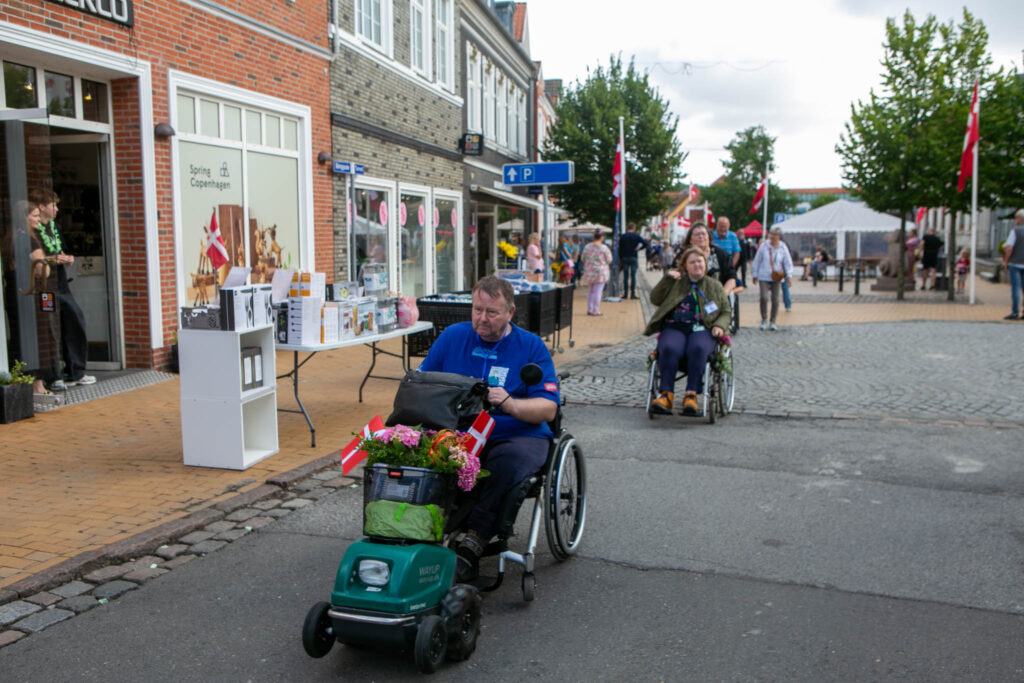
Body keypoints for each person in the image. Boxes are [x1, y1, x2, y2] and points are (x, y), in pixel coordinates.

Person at [417, 275, 559, 582]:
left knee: (506, 463)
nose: (482, 318)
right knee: (425, 454)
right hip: (461, 430)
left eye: (491, 312)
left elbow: (548, 408)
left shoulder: (531, 346)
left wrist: (510, 403)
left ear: (510, 312)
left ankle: (476, 536)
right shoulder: (453, 337)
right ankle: (425, 528)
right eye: (477, 309)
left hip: (516, 432)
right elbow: (423, 381)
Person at [645, 247, 731, 415]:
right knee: (669, 348)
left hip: (703, 328)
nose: (696, 265)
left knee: (697, 349)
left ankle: (691, 395)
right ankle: (666, 394)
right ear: (685, 266)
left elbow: (726, 311)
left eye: (700, 261)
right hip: (675, 326)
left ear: (705, 264)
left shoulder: (715, 285)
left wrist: (719, 325)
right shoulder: (676, 282)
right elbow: (655, 298)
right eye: (692, 262)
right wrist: (667, 280)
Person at [31, 189, 95, 389]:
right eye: (53, 205)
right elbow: (36, 258)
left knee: (75, 318)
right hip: (44, 285)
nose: (57, 209)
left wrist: (66, 257)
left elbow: (58, 250)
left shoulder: (54, 227)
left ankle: (76, 370)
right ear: (42, 207)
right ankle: (53, 375)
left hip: (60, 281)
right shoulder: (32, 230)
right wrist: (54, 259)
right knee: (49, 327)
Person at [751, 226, 794, 331]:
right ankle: (764, 319)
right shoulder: (764, 246)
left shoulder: (783, 247)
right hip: (764, 275)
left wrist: (789, 276)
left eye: (775, 235)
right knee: (764, 297)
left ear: (779, 236)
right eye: (771, 234)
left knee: (775, 299)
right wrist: (755, 274)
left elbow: (787, 262)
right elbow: (757, 260)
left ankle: (773, 321)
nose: (772, 236)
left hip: (777, 276)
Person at [682, 222, 737, 294]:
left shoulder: (721, 254)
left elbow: (731, 278)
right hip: (690, 298)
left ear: (709, 237)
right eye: (697, 234)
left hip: (716, 296)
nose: (700, 236)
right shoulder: (683, 255)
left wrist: (722, 295)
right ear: (690, 239)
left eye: (703, 233)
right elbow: (674, 272)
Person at [580, 229, 612, 315]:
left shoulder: (587, 247)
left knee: (591, 290)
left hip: (589, 271)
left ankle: (589, 309)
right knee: (598, 291)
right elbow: (609, 260)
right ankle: (595, 310)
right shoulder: (604, 248)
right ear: (602, 237)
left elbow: (582, 259)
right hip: (600, 273)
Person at [1001, 209, 1024, 320]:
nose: (1015, 220)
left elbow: (1009, 247)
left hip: (1015, 263)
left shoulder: (1015, 231)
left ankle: (1015, 312)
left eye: (1016, 218)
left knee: (1015, 288)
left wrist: (1005, 260)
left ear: (1021, 218)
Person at [618, 222, 647, 299]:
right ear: (634, 228)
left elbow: (620, 248)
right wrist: (638, 248)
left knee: (625, 276)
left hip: (624, 257)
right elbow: (645, 243)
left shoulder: (623, 236)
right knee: (633, 276)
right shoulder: (636, 236)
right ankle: (633, 294)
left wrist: (620, 258)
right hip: (633, 257)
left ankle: (625, 294)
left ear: (628, 228)